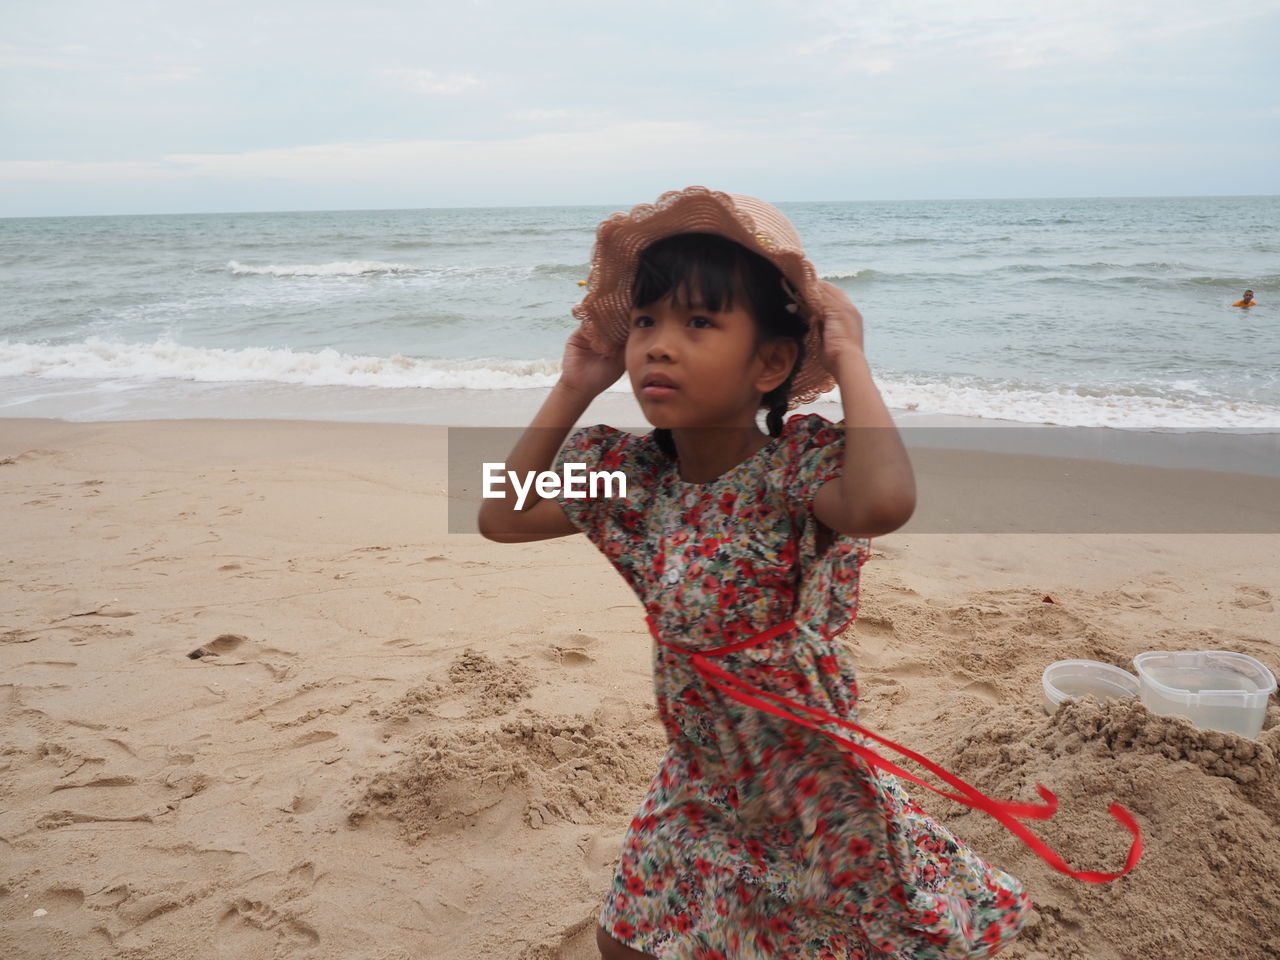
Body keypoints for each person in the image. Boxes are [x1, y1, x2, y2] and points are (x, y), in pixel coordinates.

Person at [478, 187, 1140, 959]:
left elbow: (884, 500)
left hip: (808, 778)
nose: (658, 344)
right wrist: (575, 383)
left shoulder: (792, 470)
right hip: (703, 775)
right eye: (647, 322)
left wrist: (851, 355)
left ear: (771, 362)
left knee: (862, 933)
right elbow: (503, 514)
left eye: (699, 322)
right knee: (622, 940)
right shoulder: (628, 479)